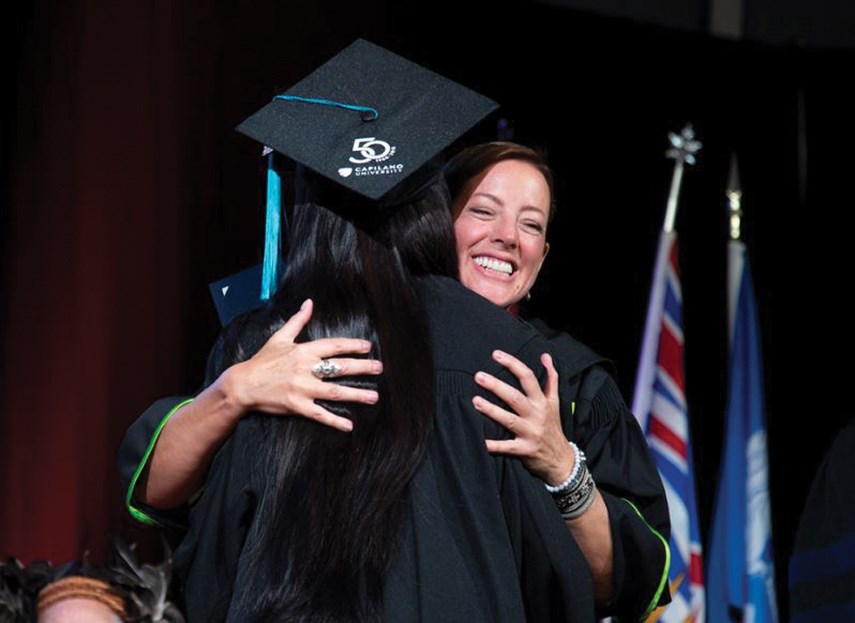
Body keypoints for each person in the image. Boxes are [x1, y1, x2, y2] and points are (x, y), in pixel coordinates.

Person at [118, 53, 669, 620]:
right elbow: (557, 582)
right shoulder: (272, 354)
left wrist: (564, 467)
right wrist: (235, 390)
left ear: (545, 254)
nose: (507, 238)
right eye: (483, 212)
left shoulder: (554, 378)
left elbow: (624, 581)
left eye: (531, 224)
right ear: (439, 216)